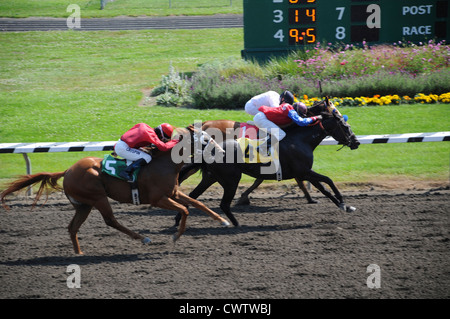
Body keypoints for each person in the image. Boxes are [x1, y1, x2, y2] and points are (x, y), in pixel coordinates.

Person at [114, 123, 179, 182]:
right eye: (164, 139)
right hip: (123, 148)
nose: (162, 140)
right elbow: (164, 147)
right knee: (147, 157)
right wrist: (176, 141)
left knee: (144, 152)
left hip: (120, 143)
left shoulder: (143, 125)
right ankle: (126, 172)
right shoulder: (151, 135)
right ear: (161, 135)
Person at [253, 102, 322, 154]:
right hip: (261, 118)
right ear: (297, 111)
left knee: (280, 132)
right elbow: (301, 122)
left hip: (261, 116)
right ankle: (262, 148)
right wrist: (316, 117)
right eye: (300, 114)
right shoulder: (291, 111)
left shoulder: (289, 107)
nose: (299, 116)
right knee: (281, 134)